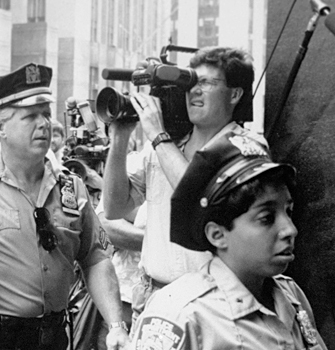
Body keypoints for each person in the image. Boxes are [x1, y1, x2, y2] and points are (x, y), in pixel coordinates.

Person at [0, 63, 129, 350]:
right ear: (0, 127)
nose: (44, 124)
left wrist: (116, 325)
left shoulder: (71, 187)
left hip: (53, 338)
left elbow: (95, 258)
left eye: (46, 114)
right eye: (30, 116)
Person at [102, 46, 266, 320]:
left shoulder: (245, 146)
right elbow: (114, 208)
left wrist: (156, 133)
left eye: (207, 83)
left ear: (235, 94)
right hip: (154, 299)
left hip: (212, 308)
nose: (194, 91)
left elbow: (201, 199)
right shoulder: (167, 145)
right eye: (191, 83)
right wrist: (119, 138)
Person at [129, 132, 327, 349]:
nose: (290, 229)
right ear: (217, 234)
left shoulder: (291, 296)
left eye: (288, 211)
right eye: (266, 218)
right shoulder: (182, 314)